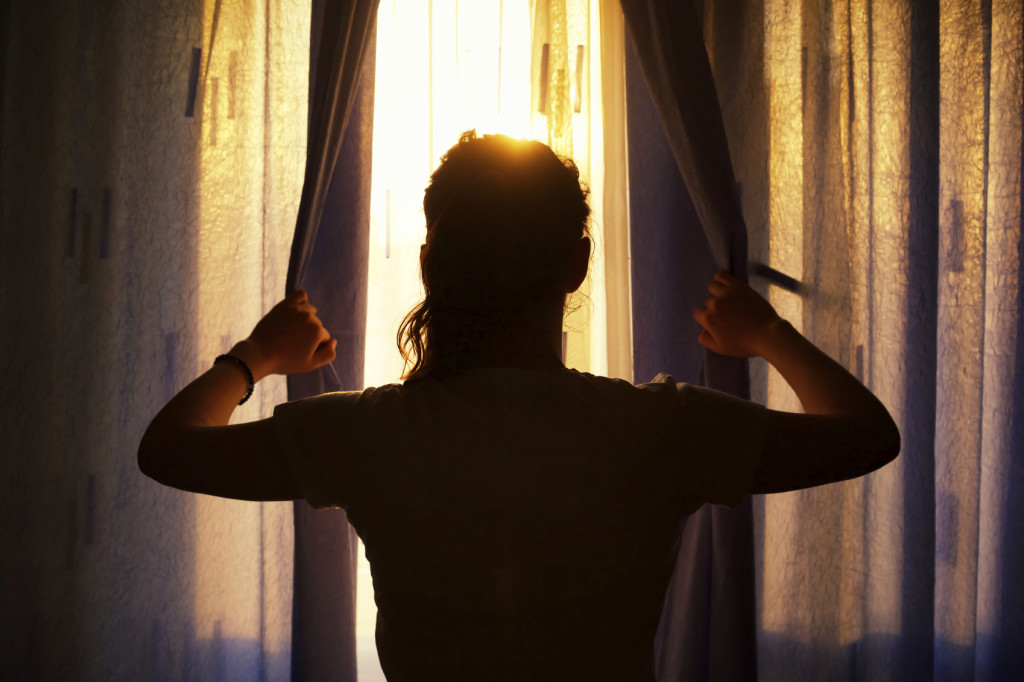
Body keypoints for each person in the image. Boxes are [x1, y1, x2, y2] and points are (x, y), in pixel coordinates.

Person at [139, 131, 900, 680]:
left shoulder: (371, 435)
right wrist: (766, 335)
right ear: (576, 266)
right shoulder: (661, 431)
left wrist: (255, 358)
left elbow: (168, 448)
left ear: (431, 264)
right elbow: (866, 435)